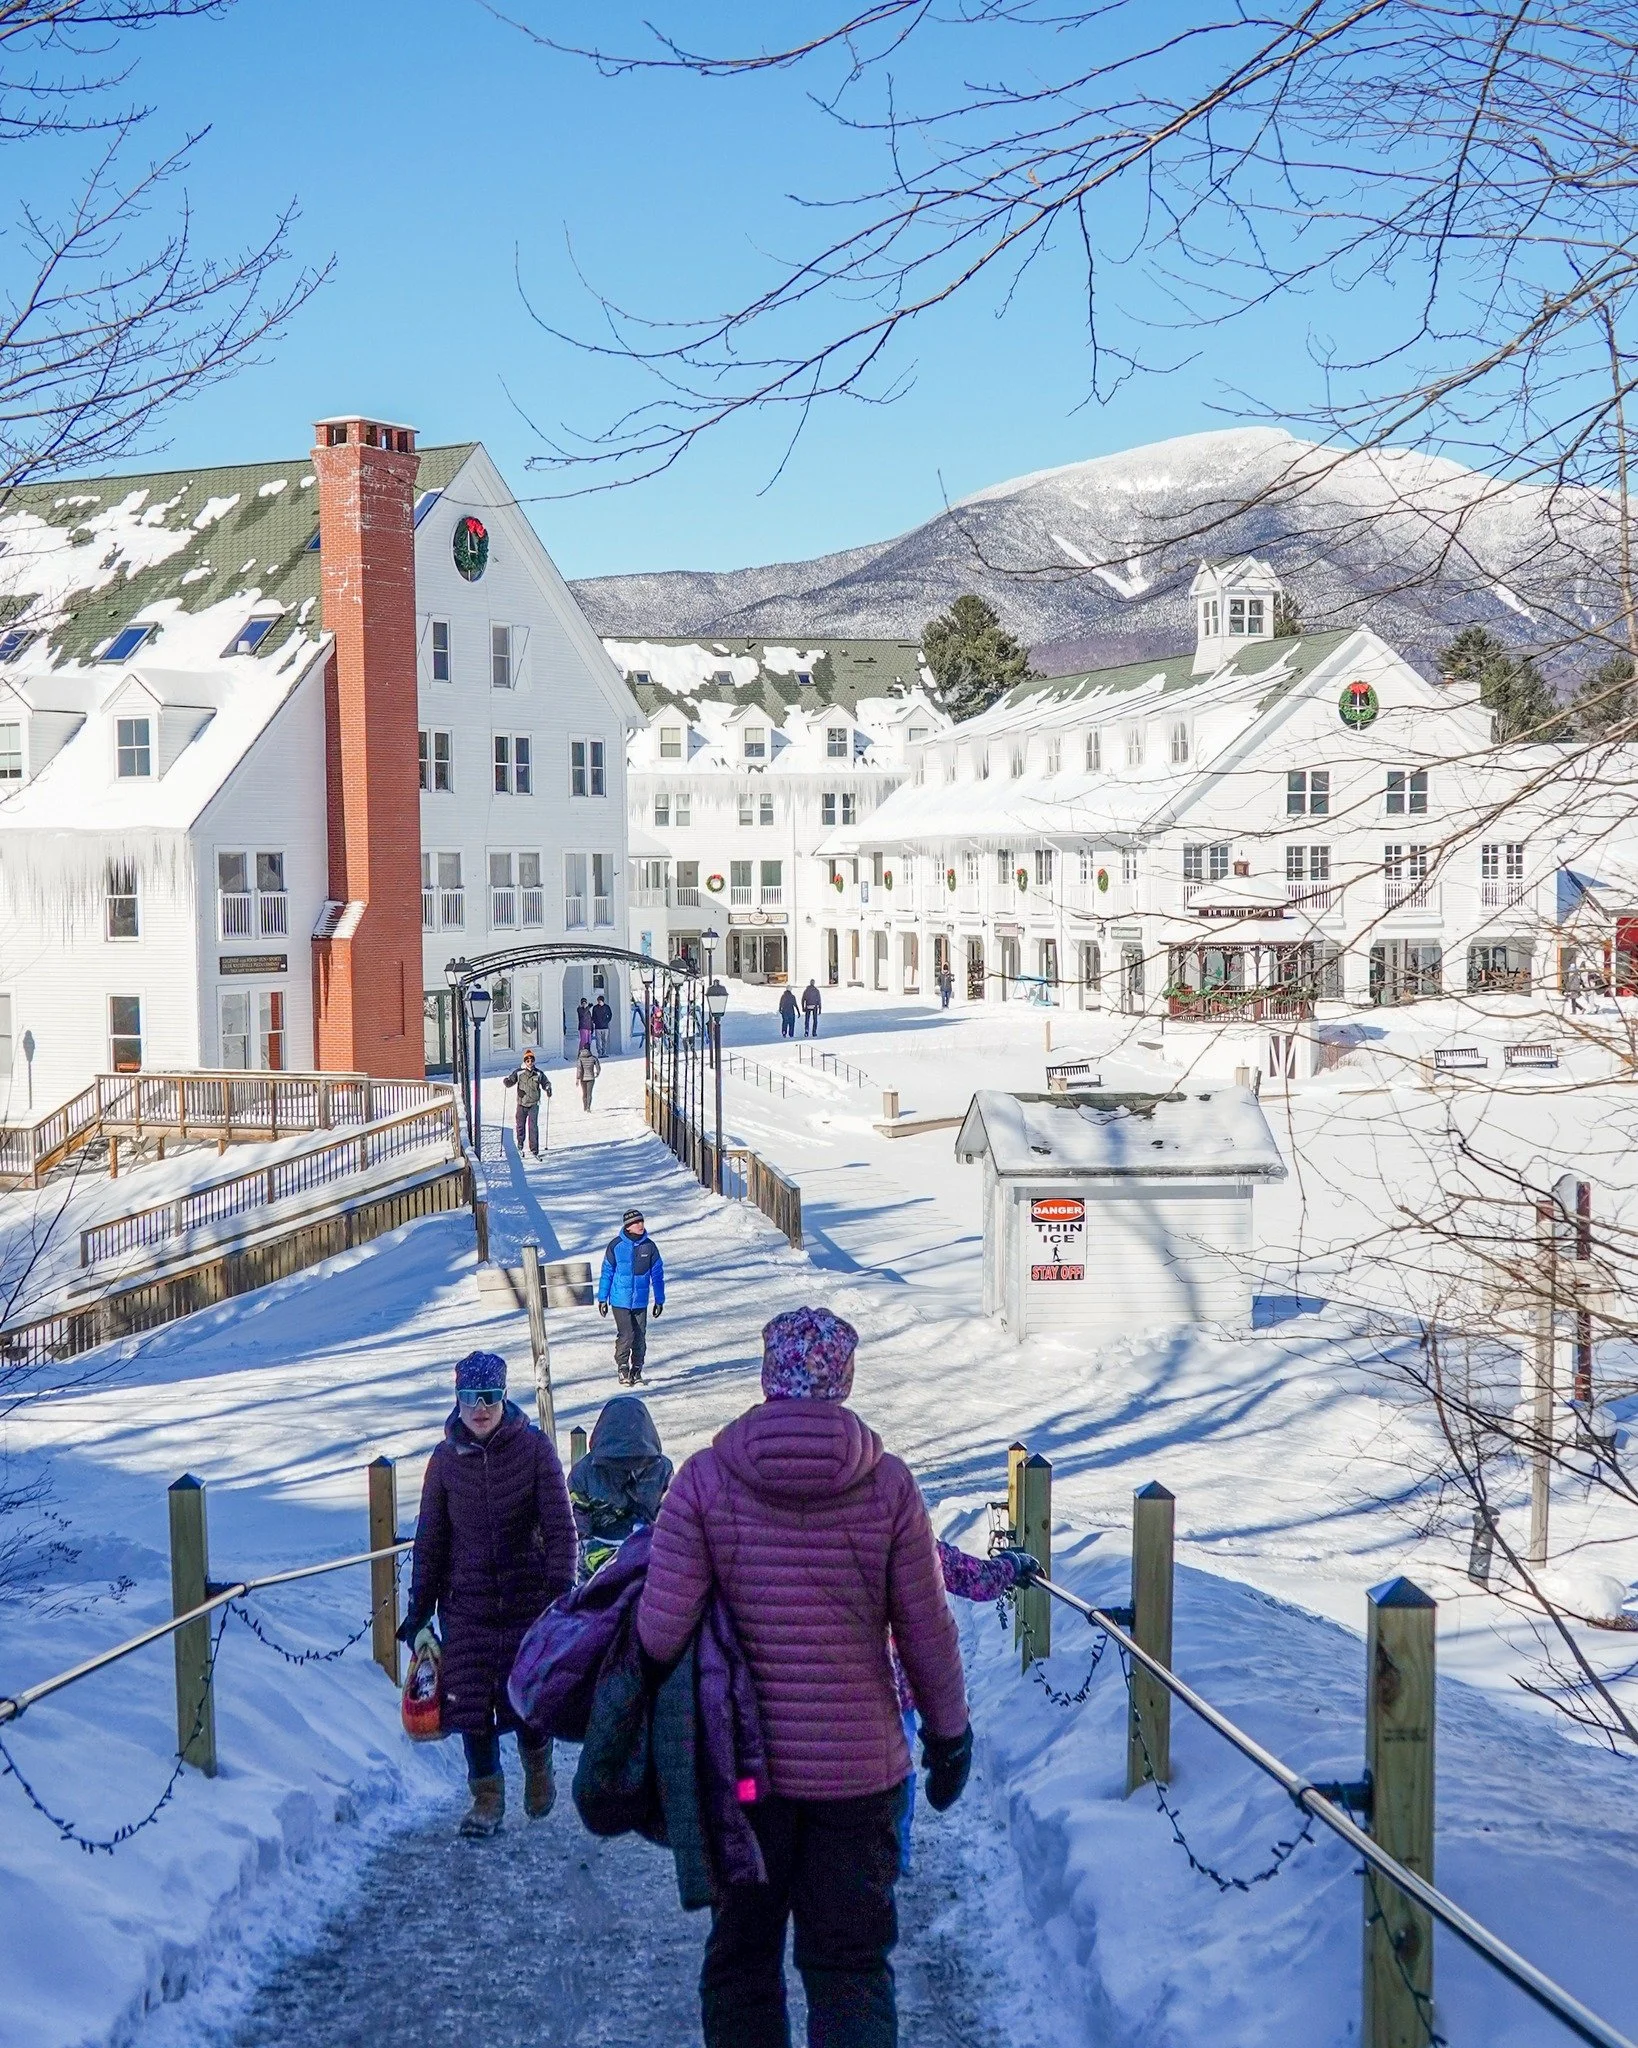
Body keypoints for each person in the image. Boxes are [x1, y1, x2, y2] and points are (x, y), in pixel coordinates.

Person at [639, 1307, 970, 2048]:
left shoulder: (703, 1481)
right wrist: (949, 1737)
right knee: (850, 1967)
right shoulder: (888, 1487)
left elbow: (659, 1635)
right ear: (843, 1378)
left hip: (745, 1780)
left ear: (767, 1371)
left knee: (744, 1963)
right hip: (859, 1779)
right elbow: (926, 1631)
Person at [400, 1350, 576, 1837]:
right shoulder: (443, 1461)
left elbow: (560, 1529)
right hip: (467, 1604)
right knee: (469, 1703)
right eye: (470, 1397)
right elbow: (431, 1541)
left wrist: (560, 1596)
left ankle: (538, 1764)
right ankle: (486, 1799)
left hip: (528, 1599)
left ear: (504, 1396)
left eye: (490, 1396)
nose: (480, 1408)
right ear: (457, 1400)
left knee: (527, 1698)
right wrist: (419, 1617)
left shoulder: (534, 1449)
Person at [567, 1393, 674, 1580]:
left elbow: (669, 1518)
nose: (628, 1466)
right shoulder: (584, 1473)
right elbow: (575, 1526)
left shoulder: (661, 1469)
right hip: (597, 1555)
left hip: (649, 1553)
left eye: (637, 1461)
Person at [597, 1206, 666, 1386]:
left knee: (640, 1335)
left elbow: (657, 1274)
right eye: (636, 1222)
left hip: (640, 1301)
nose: (640, 1225)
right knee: (626, 1334)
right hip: (620, 1299)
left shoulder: (649, 1246)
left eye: (641, 1221)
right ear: (628, 1226)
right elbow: (607, 1272)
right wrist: (602, 1298)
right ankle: (622, 1368)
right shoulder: (616, 1246)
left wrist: (659, 1300)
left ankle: (637, 1369)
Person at [503, 1049, 552, 1159]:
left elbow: (546, 1083)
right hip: (521, 1104)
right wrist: (507, 1082)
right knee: (520, 1126)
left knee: (533, 1127)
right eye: (528, 1060)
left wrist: (548, 1088)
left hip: (534, 1103)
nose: (530, 1062)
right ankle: (520, 1145)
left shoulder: (539, 1073)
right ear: (525, 1061)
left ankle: (534, 1150)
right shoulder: (519, 1072)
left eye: (531, 1060)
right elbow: (511, 1080)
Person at [576, 1042, 601, 1110]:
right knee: (589, 1093)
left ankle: (584, 1107)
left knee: (584, 1093)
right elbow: (598, 1067)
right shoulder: (593, 1058)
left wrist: (577, 1079)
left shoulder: (580, 1059)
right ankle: (588, 1108)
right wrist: (597, 1073)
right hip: (591, 1078)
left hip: (582, 1078)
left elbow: (579, 1069)